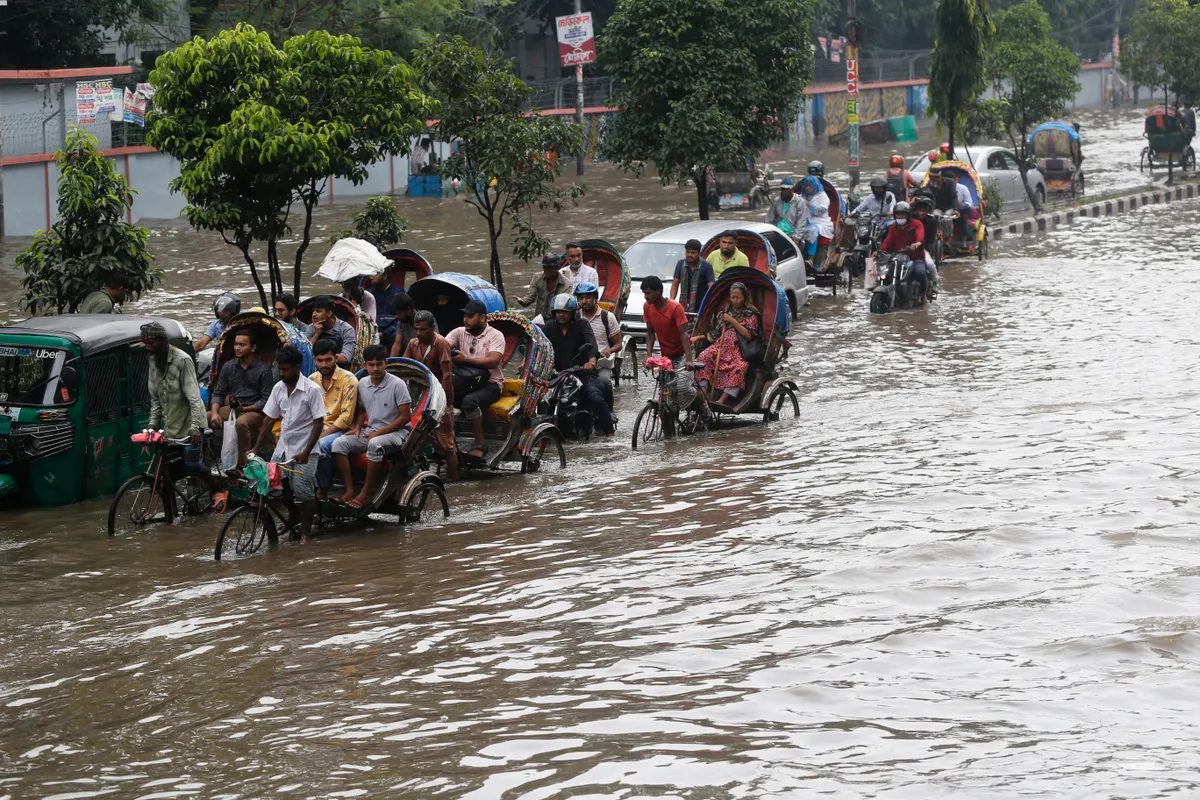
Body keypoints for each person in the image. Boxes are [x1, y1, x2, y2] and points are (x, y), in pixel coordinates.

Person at [141, 321, 226, 509]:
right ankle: (172, 514)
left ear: (162, 341)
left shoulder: (182, 360)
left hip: (190, 426)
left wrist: (196, 428)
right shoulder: (153, 361)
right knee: (165, 472)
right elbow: (156, 400)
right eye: (146, 344)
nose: (149, 348)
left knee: (193, 466)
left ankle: (218, 490)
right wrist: (152, 426)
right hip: (171, 427)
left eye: (152, 343)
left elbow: (195, 398)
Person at [249, 345, 325, 542]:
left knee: (304, 492)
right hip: (283, 448)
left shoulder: (312, 390)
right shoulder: (278, 388)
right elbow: (269, 419)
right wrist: (256, 448)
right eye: (280, 369)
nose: (282, 374)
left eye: (286, 369)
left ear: (297, 367)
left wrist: (307, 452)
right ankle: (293, 514)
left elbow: (318, 423)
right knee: (276, 483)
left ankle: (306, 533)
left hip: (305, 449)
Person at [331, 344, 412, 509]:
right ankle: (350, 489)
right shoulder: (362, 383)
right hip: (371, 430)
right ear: (365, 365)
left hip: (397, 432)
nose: (375, 369)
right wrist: (357, 427)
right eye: (371, 365)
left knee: (374, 444)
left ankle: (365, 492)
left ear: (385, 364)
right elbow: (361, 409)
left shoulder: (398, 385)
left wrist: (380, 432)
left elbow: (405, 417)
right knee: (338, 444)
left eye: (379, 364)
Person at [541, 294, 614, 438]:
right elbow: (540, 348)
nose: (561, 315)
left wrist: (591, 361)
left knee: (596, 397)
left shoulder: (583, 325)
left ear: (572, 312)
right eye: (558, 312)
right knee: (540, 400)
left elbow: (591, 344)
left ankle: (610, 432)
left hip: (582, 374)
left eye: (565, 312)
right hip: (557, 376)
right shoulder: (549, 328)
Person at [446, 299, 506, 460]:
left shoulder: (495, 335)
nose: (466, 319)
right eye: (465, 316)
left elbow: (493, 361)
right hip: (466, 382)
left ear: (483, 318)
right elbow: (443, 346)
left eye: (470, 316)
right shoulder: (459, 332)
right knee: (443, 396)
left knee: (469, 402)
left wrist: (466, 360)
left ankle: (480, 444)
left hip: (491, 384)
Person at [403, 309, 459, 480]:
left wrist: (442, 402)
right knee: (416, 438)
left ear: (432, 328)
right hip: (420, 396)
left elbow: (447, 374)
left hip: (440, 397)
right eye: (417, 329)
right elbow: (405, 366)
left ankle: (455, 480)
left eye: (423, 329)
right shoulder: (413, 344)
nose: (419, 333)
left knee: (447, 442)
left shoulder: (440, 343)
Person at [207, 329, 274, 468]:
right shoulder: (229, 367)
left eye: (242, 345)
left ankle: (244, 464)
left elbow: (266, 400)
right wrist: (214, 413)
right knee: (204, 416)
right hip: (234, 408)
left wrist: (245, 408)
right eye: (236, 344)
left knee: (241, 423)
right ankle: (206, 460)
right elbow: (218, 393)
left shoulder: (263, 369)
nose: (237, 348)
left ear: (253, 348)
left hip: (255, 411)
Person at [691, 282, 760, 408]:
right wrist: (699, 337)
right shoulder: (725, 312)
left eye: (738, 297)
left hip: (738, 349)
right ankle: (703, 393)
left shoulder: (751, 314)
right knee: (704, 356)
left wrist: (732, 321)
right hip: (721, 346)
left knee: (740, 367)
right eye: (733, 297)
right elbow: (716, 333)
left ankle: (722, 400)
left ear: (744, 297)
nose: (735, 300)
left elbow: (748, 335)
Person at [641, 276, 699, 417]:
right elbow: (650, 334)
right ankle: (670, 432)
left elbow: (684, 335)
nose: (645, 296)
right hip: (667, 355)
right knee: (668, 394)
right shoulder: (647, 307)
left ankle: (701, 402)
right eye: (644, 293)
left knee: (683, 388)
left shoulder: (675, 308)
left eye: (648, 293)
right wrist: (649, 357)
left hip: (684, 353)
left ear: (658, 291)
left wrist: (690, 360)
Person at [309, 338, 359, 493]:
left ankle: (322, 487)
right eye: (320, 360)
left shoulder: (349, 379)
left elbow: (345, 418)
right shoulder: (311, 380)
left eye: (328, 360)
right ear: (314, 360)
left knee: (321, 445)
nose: (324, 365)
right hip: (316, 426)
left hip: (339, 429)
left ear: (336, 358)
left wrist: (321, 434)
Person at [575, 281, 622, 411]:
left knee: (605, 381)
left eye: (588, 297)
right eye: (581, 298)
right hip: (581, 362)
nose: (584, 301)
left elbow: (618, 345)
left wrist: (609, 350)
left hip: (601, 362)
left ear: (595, 297)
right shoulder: (575, 318)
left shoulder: (608, 317)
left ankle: (609, 411)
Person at [878, 201, 929, 303]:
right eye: (898, 214)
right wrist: (880, 251)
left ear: (908, 215)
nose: (900, 216)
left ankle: (923, 296)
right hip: (898, 257)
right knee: (885, 273)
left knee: (920, 273)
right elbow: (888, 240)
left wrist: (917, 243)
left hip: (915, 257)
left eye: (903, 214)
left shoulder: (917, 224)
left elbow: (920, 235)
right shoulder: (893, 227)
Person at [516, 255, 574, 321]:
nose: (546, 270)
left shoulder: (567, 284)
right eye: (544, 267)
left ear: (557, 267)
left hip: (557, 321)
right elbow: (530, 298)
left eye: (549, 267)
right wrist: (523, 301)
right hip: (539, 320)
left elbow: (566, 307)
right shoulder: (537, 277)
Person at [307, 295, 357, 368]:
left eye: (318, 311)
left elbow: (345, 357)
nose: (314, 314)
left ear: (329, 313)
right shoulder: (311, 328)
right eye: (313, 311)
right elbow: (306, 353)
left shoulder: (346, 329)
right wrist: (316, 334)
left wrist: (323, 360)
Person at [670, 239, 716, 314]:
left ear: (699, 253)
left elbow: (711, 287)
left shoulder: (706, 266)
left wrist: (709, 305)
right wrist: (671, 302)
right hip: (683, 306)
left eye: (693, 253)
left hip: (701, 306)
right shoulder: (680, 264)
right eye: (688, 252)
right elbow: (675, 283)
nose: (690, 255)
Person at [799, 176, 834, 269]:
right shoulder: (803, 196)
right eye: (805, 186)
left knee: (812, 231)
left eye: (809, 186)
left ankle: (810, 259)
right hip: (805, 222)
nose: (807, 188)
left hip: (820, 223)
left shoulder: (822, 196)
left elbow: (818, 211)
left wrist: (807, 203)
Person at [367, 273, 401, 351]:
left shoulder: (398, 293)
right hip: (374, 328)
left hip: (392, 330)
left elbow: (400, 318)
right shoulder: (369, 294)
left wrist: (385, 333)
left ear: (384, 276)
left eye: (374, 274)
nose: (370, 277)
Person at [388, 293, 416, 358]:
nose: (397, 316)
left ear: (408, 310)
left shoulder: (424, 321)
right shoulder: (401, 321)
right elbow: (397, 344)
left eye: (399, 313)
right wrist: (391, 364)